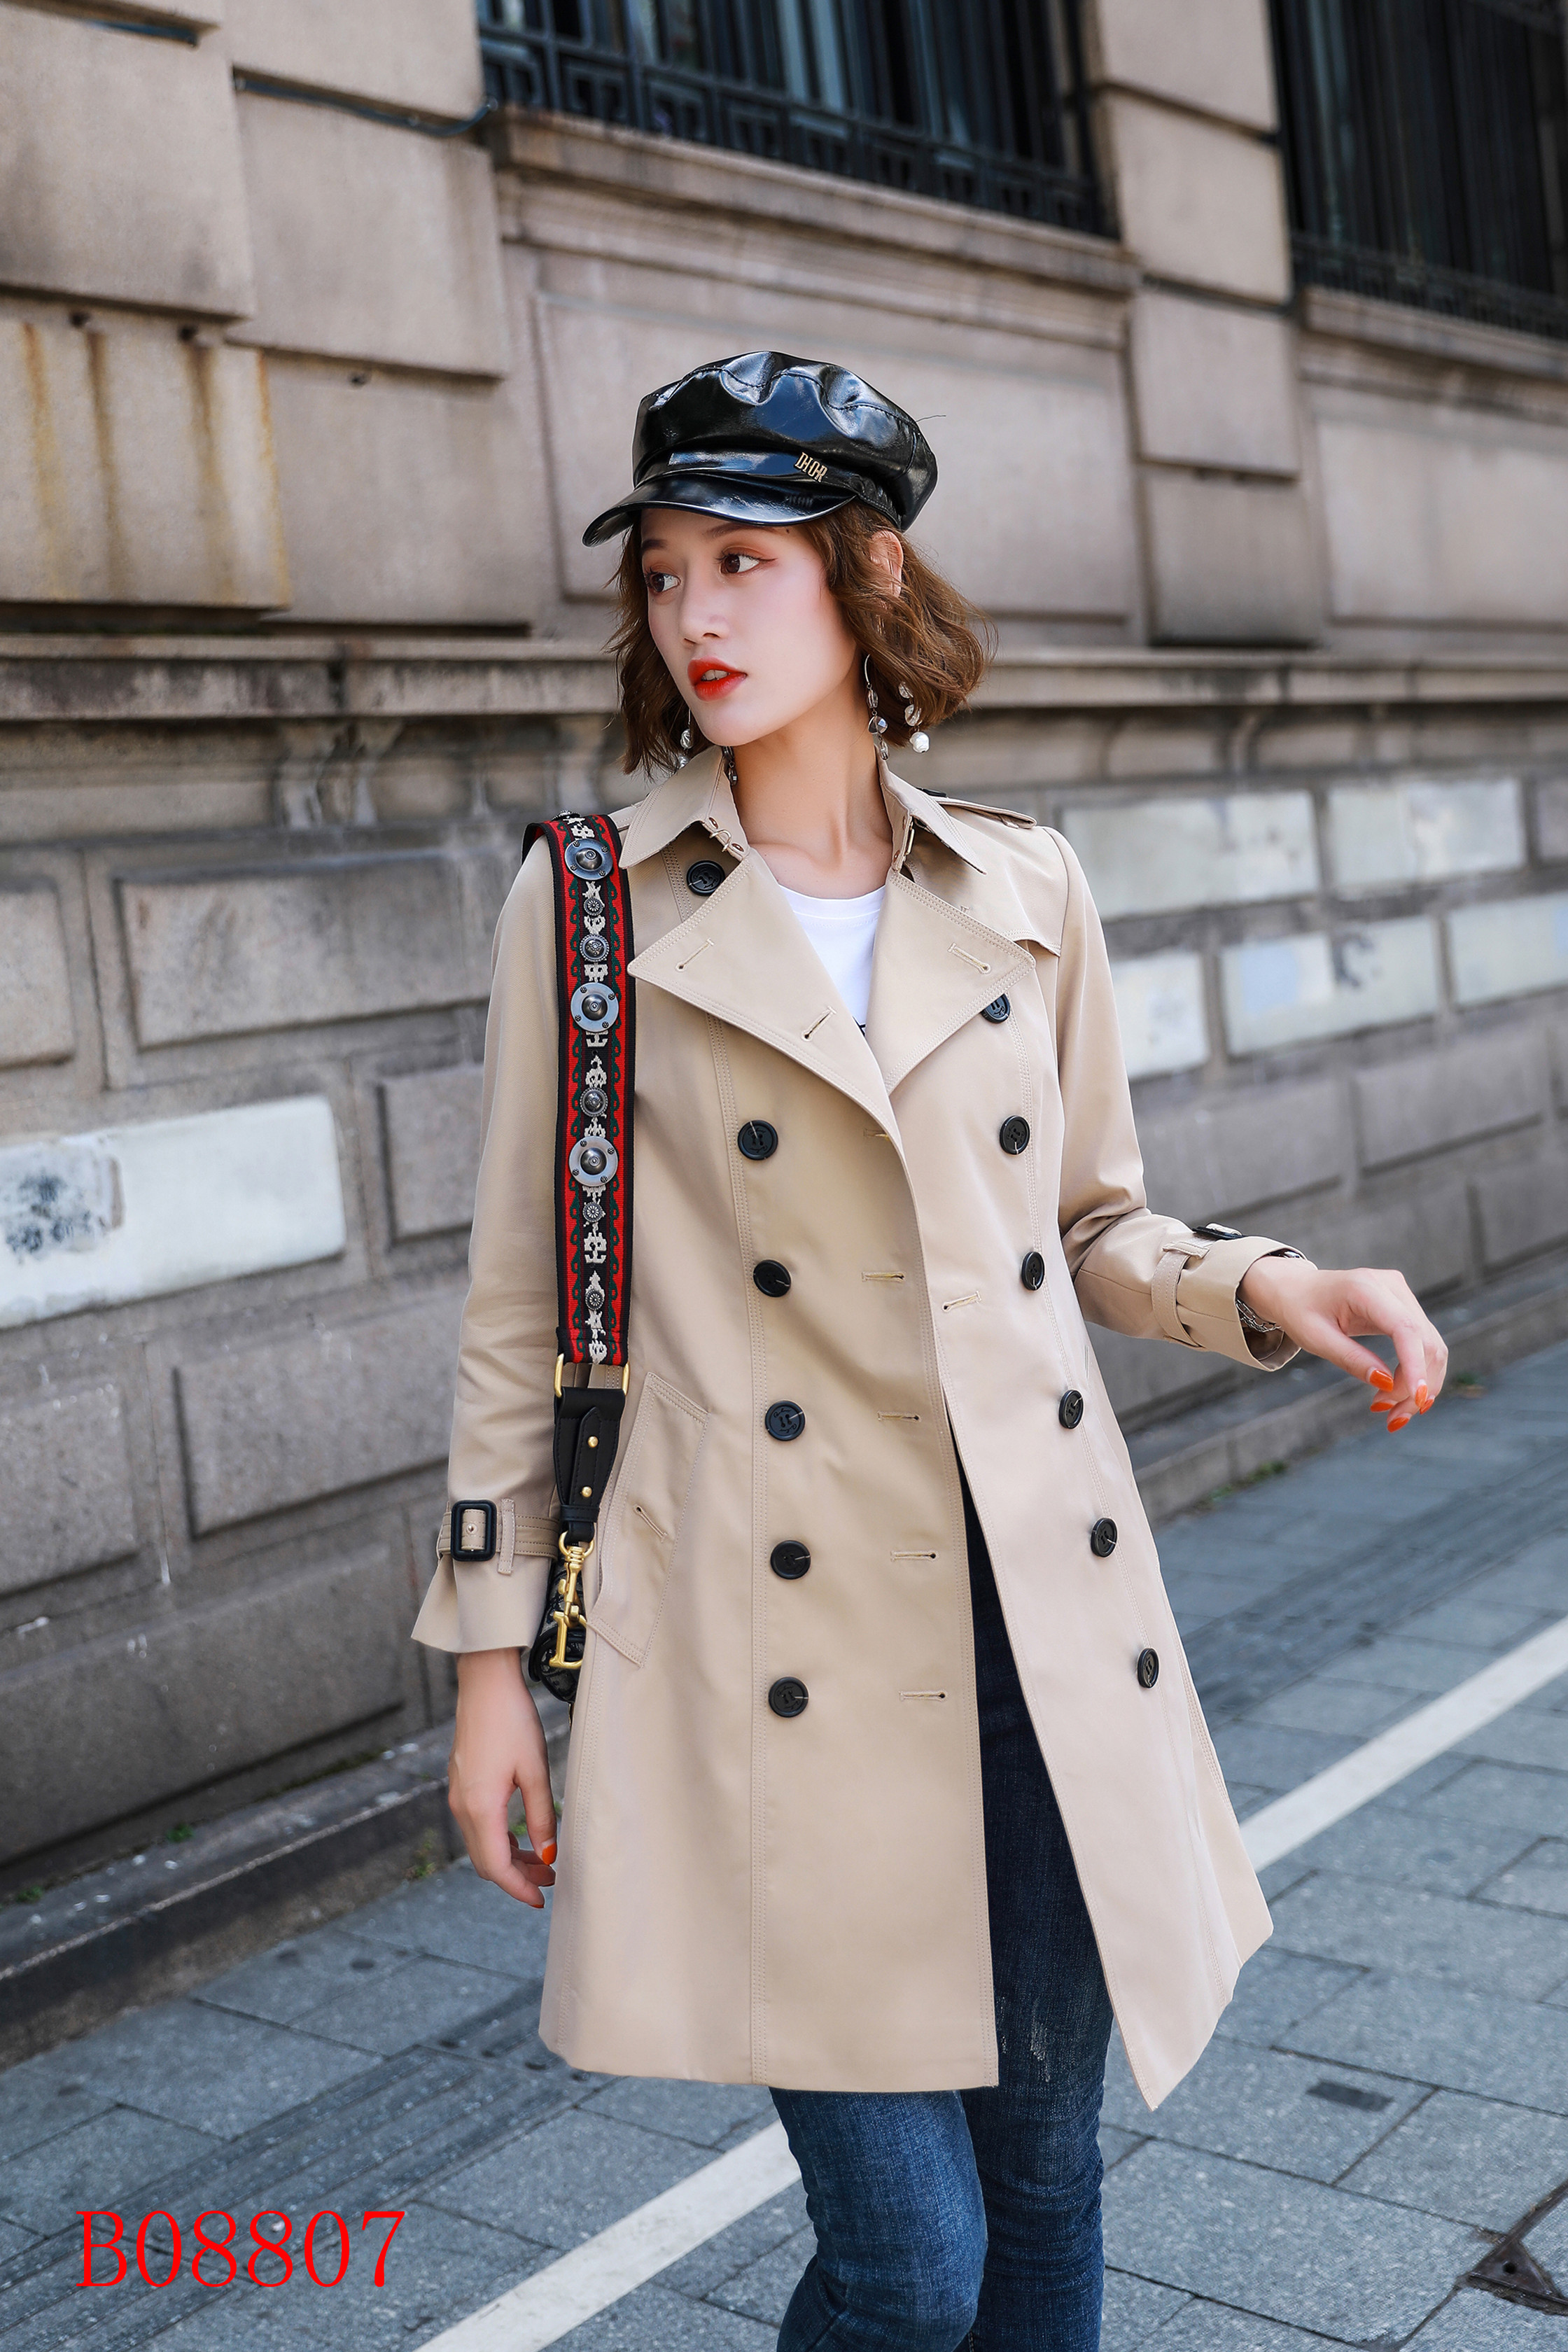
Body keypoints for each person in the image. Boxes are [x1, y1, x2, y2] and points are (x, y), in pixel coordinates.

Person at [414, 350, 1447, 2351]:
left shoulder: (1020, 883)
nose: (695, 616)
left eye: (745, 562)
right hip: (773, 1654)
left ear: (867, 573)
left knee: (1046, 2180)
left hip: (1032, 1630)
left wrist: (1269, 1287)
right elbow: (516, 1318)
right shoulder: (593, 909)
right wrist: (486, 1680)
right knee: (909, 2268)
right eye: (664, 572)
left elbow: (1090, 1222)